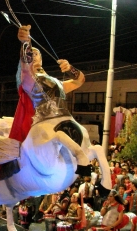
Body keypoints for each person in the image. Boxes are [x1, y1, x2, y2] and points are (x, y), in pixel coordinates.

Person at [14, 24, 91, 175]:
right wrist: (26, 43)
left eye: (37, 54)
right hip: (44, 121)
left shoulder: (57, 82)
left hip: (66, 118)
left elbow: (79, 81)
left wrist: (70, 69)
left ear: (42, 59)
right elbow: (25, 65)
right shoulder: (29, 80)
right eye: (31, 53)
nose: (33, 55)